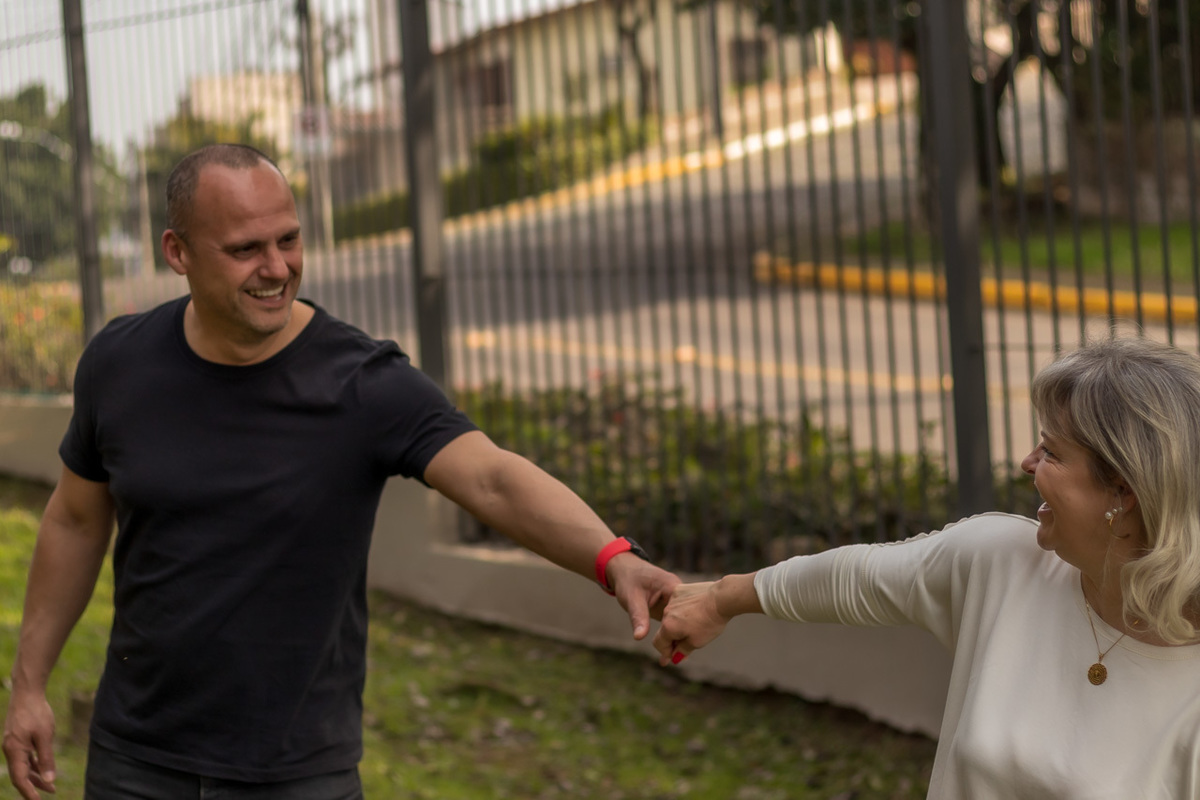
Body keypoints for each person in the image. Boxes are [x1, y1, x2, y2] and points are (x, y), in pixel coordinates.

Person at [2, 143, 679, 800]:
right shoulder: (119, 363)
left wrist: (613, 558)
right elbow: (75, 520)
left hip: (298, 775)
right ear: (177, 252)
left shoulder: (362, 381)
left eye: (289, 240)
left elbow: (492, 478)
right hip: (135, 763)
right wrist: (29, 686)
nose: (277, 268)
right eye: (245, 249)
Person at [653, 336, 1200, 798]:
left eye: (1052, 453)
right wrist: (720, 599)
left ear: (1123, 492)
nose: (1027, 464)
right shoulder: (1001, 563)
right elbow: (856, 578)